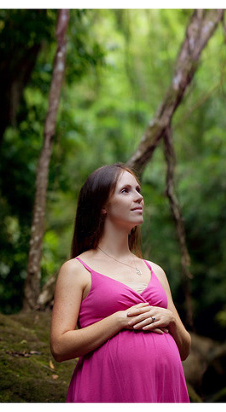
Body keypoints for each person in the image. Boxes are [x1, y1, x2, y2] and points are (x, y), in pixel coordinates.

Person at [50, 163, 191, 403]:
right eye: (126, 191)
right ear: (102, 206)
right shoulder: (76, 269)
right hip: (108, 389)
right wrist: (119, 320)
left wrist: (171, 321)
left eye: (138, 189)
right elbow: (60, 346)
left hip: (163, 388)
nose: (139, 197)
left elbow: (184, 350)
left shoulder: (155, 271)